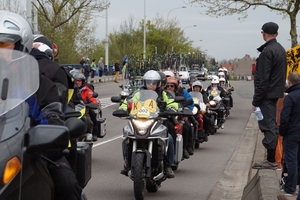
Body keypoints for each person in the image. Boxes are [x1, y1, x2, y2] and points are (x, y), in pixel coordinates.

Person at [0, 10, 82, 200]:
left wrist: (51, 133)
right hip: (2, 155)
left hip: (32, 155)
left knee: (67, 184)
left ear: (23, 47)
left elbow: (51, 120)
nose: (1, 53)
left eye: (5, 45)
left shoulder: (41, 85)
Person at [118, 70, 177, 178]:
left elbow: (172, 103)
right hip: (139, 120)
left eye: (153, 83)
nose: (151, 85)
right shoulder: (138, 93)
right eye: (148, 82)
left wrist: (172, 109)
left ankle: (168, 165)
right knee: (126, 135)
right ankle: (127, 163)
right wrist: (122, 109)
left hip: (157, 121)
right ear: (145, 83)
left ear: (158, 83)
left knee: (169, 138)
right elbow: (127, 102)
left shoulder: (164, 94)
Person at [251, 22, 287, 170]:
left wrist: (256, 100)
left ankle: (271, 159)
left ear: (263, 33)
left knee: (268, 125)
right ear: (277, 34)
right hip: (275, 93)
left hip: (266, 95)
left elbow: (263, 79)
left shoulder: (267, 52)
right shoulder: (280, 49)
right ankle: (271, 158)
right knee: (271, 124)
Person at [279, 72, 300, 196]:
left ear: (289, 82)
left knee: (291, 161)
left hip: (292, 133)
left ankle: (290, 188)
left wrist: (282, 132)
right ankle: (297, 185)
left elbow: (285, 117)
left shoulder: (290, 97)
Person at [165, 76, 194, 157]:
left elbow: (188, 101)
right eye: (167, 86)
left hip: (177, 116)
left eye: (171, 86)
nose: (169, 88)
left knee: (186, 127)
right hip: (164, 117)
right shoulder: (162, 94)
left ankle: (185, 148)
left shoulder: (179, 94)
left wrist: (184, 111)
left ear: (175, 87)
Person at [73, 72, 98, 141]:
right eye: (76, 81)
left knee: (90, 120)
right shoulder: (70, 89)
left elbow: (93, 99)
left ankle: (93, 134)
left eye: (79, 81)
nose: (78, 82)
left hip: (84, 110)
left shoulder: (87, 90)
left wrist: (91, 104)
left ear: (82, 81)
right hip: (72, 110)